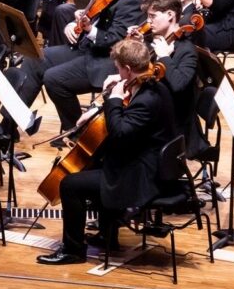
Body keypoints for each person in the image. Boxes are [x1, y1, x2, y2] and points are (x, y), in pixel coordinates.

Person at [37, 36, 174, 266]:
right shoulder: (153, 86)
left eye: (119, 68)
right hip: (140, 160)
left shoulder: (146, 99)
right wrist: (103, 105)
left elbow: (120, 132)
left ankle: (73, 250)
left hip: (140, 176)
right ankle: (107, 237)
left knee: (70, 184)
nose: (117, 72)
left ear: (128, 69)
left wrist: (114, 100)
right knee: (99, 162)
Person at [39, 0, 144, 131]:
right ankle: (9, 126)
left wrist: (89, 29)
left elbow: (114, 40)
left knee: (53, 79)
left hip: (105, 59)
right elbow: (93, 15)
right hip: (88, 48)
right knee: (37, 57)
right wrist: (75, 22)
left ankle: (79, 132)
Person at [142, 0, 203, 153]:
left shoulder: (187, 50)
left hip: (171, 126)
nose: (148, 22)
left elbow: (179, 85)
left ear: (170, 15)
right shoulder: (151, 42)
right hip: (151, 115)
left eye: (152, 16)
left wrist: (164, 58)